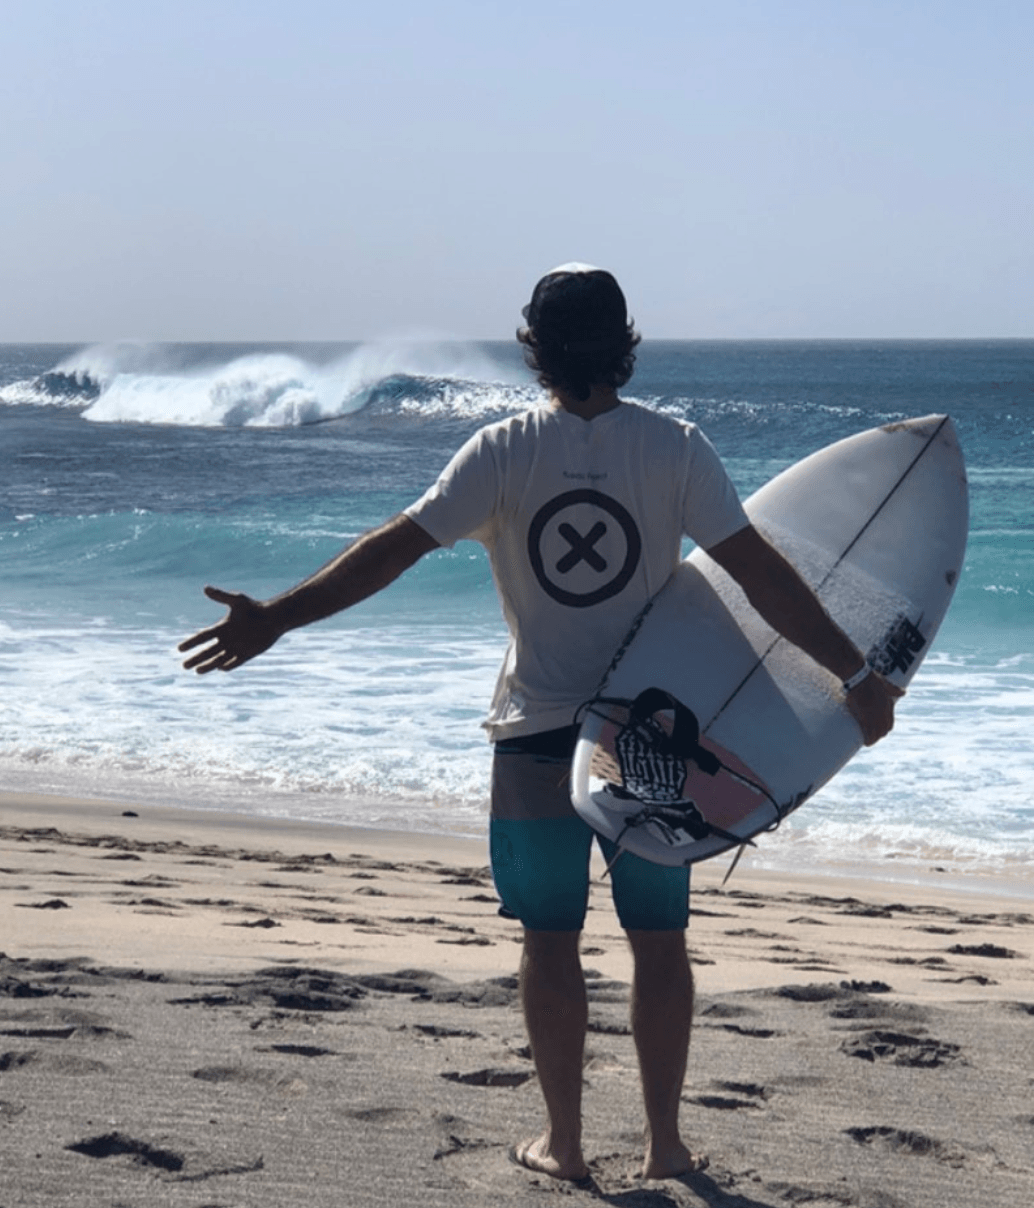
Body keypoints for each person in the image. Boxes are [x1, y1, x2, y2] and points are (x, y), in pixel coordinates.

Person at [178, 265, 899, 1183]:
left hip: (536, 736)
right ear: (626, 341)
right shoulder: (674, 448)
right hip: (651, 741)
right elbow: (759, 573)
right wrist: (857, 673)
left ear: (535, 346)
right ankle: (666, 1146)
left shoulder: (501, 452)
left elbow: (390, 554)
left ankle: (564, 1143)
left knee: (549, 940)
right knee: (659, 941)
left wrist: (276, 617)